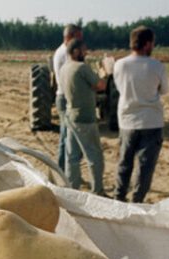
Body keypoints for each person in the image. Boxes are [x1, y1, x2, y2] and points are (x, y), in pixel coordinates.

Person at [112, 26, 169, 203]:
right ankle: (137, 201)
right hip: (151, 121)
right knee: (145, 168)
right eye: (152, 43)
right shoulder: (157, 66)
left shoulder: (119, 65)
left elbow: (119, 87)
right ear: (147, 44)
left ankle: (118, 198)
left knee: (124, 163)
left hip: (127, 121)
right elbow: (164, 90)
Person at [59, 39, 107, 195]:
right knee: (95, 156)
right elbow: (101, 86)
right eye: (83, 50)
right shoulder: (82, 68)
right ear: (75, 51)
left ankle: (72, 189)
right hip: (85, 118)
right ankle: (98, 190)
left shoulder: (65, 68)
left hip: (70, 115)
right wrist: (104, 72)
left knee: (72, 156)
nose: (86, 52)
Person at [53, 24, 83, 172]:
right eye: (79, 38)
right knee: (66, 138)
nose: (81, 43)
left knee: (67, 137)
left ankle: (64, 170)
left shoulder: (61, 51)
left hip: (64, 96)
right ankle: (61, 171)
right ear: (70, 37)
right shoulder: (66, 53)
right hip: (66, 98)